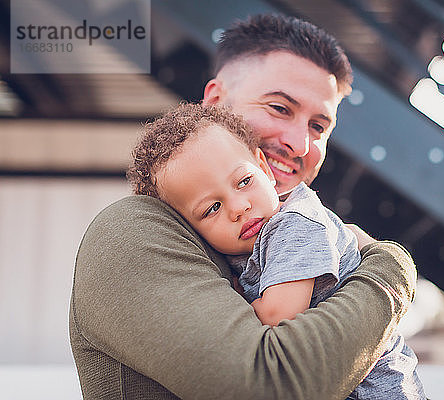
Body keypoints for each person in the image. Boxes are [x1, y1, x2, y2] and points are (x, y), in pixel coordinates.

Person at [70, 13, 419, 399]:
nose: (300, 144)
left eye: (318, 126)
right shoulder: (133, 229)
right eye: (279, 108)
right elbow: (269, 384)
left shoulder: (287, 227)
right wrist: (389, 269)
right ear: (216, 102)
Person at [130, 102, 425, 399]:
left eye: (244, 181)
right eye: (212, 208)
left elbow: (277, 316)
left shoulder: (295, 224)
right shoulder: (238, 245)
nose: (239, 207)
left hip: (376, 389)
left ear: (263, 168)